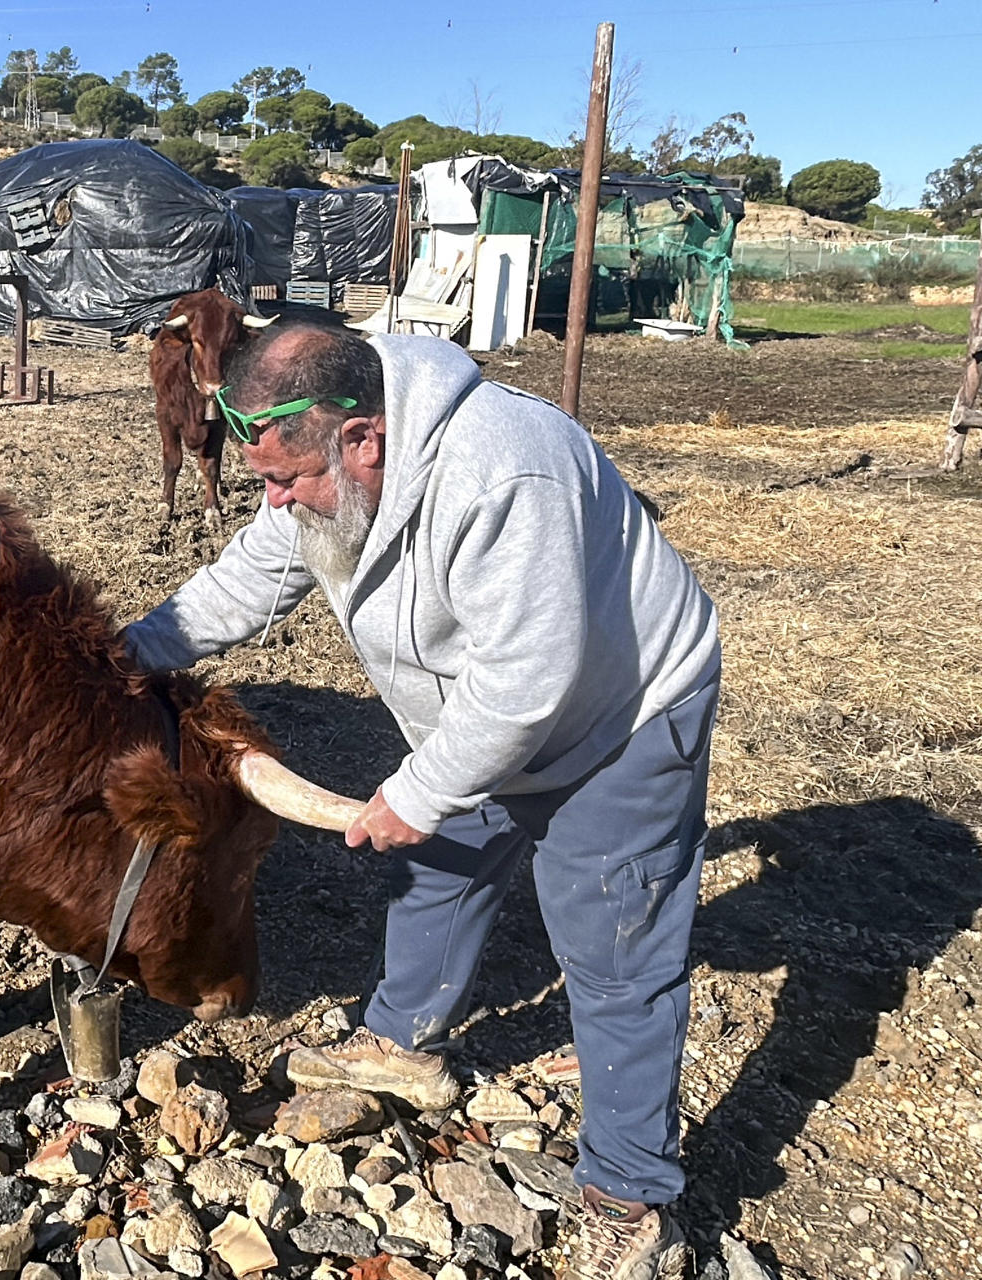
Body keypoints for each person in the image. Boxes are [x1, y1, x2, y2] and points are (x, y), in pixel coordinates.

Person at [123, 322, 719, 1280]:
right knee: (438, 867)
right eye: (262, 482)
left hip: (616, 713)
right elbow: (249, 576)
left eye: (289, 481)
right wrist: (124, 655)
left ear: (363, 438)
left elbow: (530, 678)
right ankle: (402, 1042)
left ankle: (631, 1192)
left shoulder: (506, 474)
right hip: (471, 707)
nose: (275, 504)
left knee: (615, 943)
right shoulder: (326, 456)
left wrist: (423, 787)